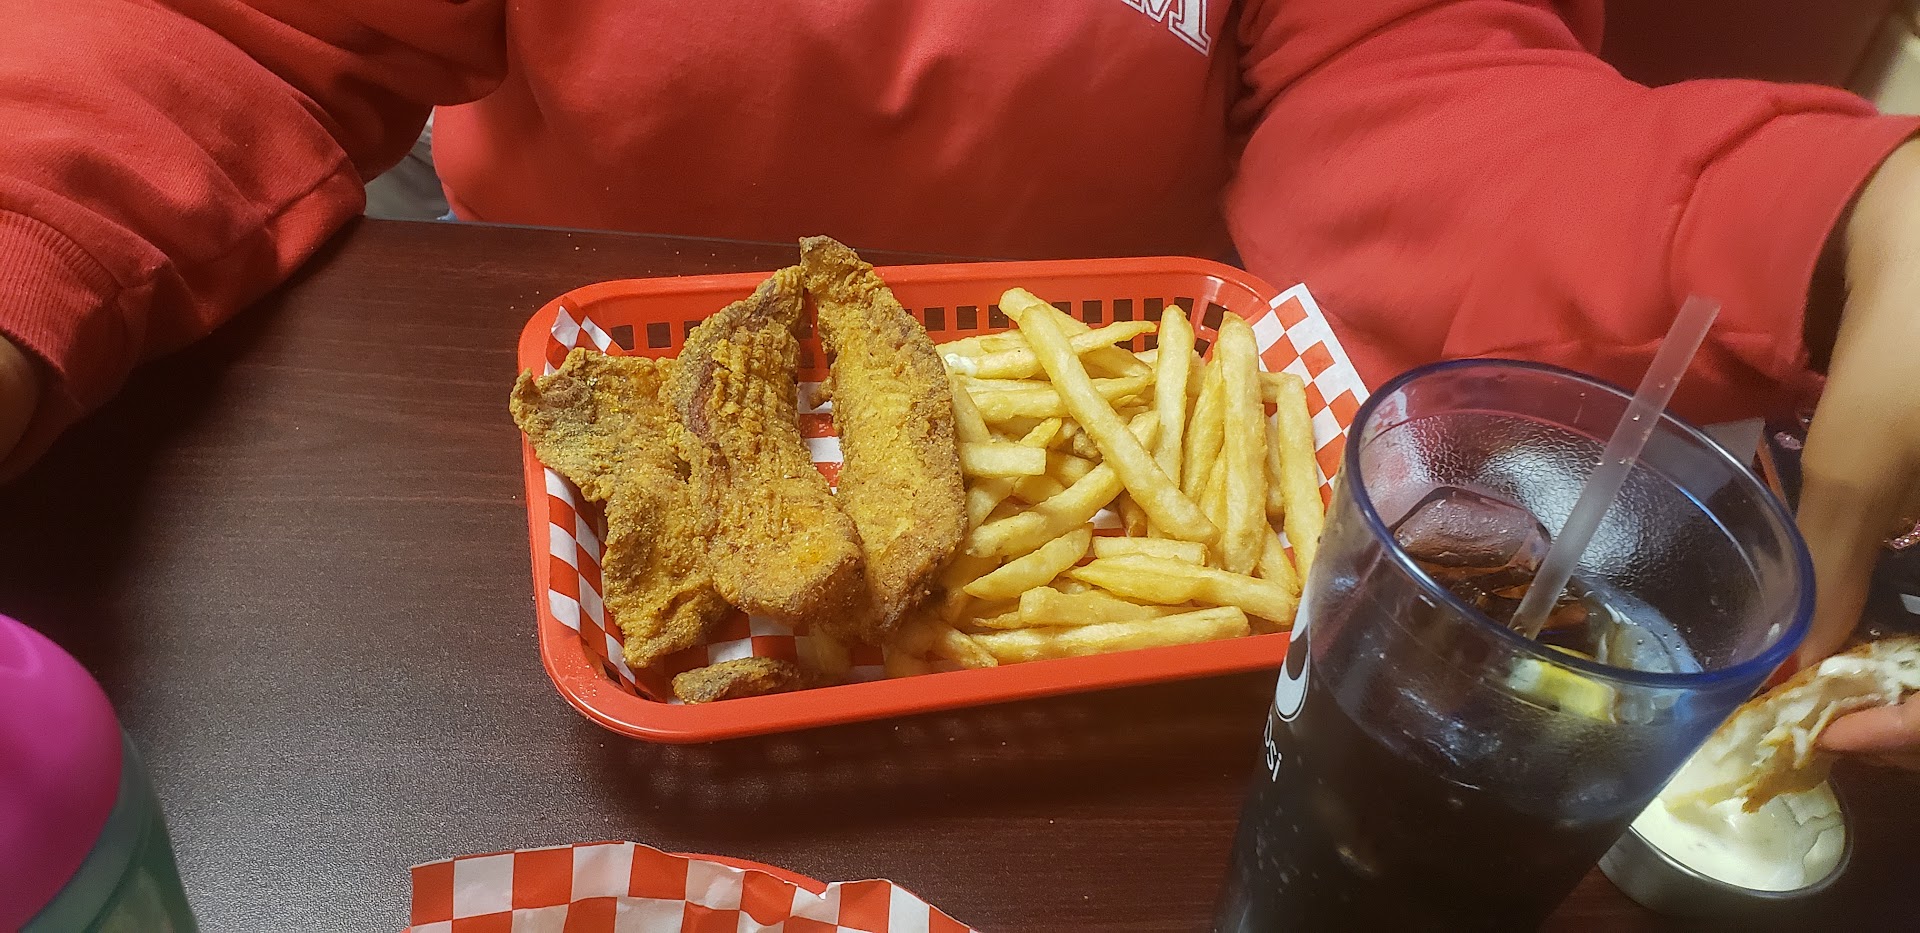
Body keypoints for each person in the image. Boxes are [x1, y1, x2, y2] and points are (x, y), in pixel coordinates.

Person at [0, 1, 1914, 761]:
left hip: (1123, 674)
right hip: (505, 586)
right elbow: (221, 27)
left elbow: (1414, 85)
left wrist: (1822, 218)